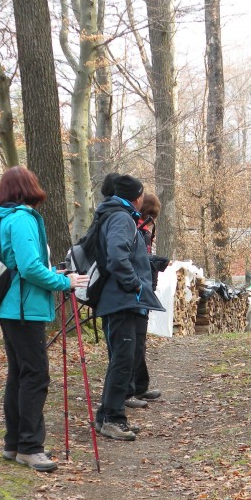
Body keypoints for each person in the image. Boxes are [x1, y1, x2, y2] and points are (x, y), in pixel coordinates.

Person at [0, 166, 88, 472]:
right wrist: (64, 283)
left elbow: (20, 266)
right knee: (35, 376)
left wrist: (54, 274)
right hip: (24, 309)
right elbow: (29, 269)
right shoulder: (22, 219)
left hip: (7, 307)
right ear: (30, 188)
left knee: (19, 375)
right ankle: (30, 447)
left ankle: (14, 443)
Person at [93, 174, 166, 440]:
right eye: (139, 194)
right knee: (122, 361)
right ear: (134, 196)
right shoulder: (122, 217)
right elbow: (116, 256)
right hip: (121, 300)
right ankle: (113, 418)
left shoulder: (118, 215)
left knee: (122, 360)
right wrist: (134, 285)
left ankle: (106, 416)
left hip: (123, 300)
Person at [125, 192, 169, 409]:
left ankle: (140, 386)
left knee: (139, 340)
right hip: (138, 291)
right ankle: (129, 389)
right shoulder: (138, 228)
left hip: (145, 289)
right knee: (134, 341)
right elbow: (137, 260)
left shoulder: (145, 229)